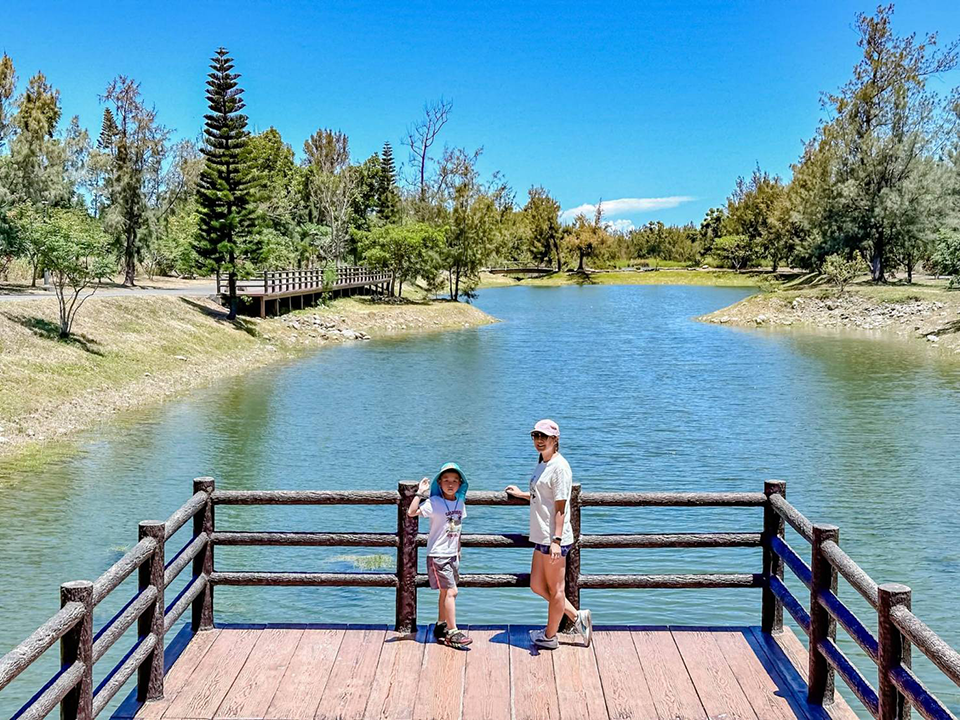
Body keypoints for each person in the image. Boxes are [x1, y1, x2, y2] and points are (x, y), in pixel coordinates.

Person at [505, 419, 592, 650]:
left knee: (556, 590)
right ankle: (576, 617)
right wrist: (522, 494)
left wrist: (556, 541)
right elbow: (542, 497)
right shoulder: (543, 463)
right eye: (536, 436)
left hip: (554, 538)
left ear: (556, 440)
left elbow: (561, 507)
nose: (539, 440)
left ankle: (550, 636)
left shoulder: (560, 467)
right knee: (536, 585)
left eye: (544, 436)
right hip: (540, 536)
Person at [407, 462, 473, 648]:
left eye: (454, 480)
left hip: (452, 554)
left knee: (446, 592)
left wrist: (458, 550)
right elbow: (412, 512)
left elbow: (458, 528)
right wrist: (420, 492)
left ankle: (440, 625)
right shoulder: (434, 502)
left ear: (460, 484)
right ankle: (453, 632)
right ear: (439, 482)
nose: (450, 484)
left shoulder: (460, 502)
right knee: (452, 591)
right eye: (445, 480)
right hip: (438, 554)